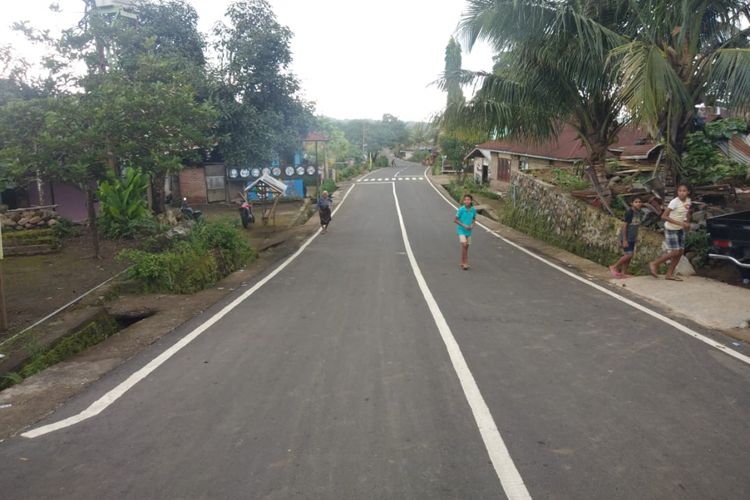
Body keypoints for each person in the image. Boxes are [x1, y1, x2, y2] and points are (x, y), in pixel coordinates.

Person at [649, 184, 692, 281]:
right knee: (675, 251)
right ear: (677, 192)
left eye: (684, 191)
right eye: (680, 191)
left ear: (688, 192)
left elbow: (687, 212)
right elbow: (664, 216)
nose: (681, 192)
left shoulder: (688, 201)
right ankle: (655, 263)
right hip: (671, 229)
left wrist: (687, 223)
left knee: (680, 252)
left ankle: (669, 274)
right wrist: (680, 223)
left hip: (680, 229)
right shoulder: (674, 202)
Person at [609, 197, 643, 278]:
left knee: (629, 257)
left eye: (639, 202)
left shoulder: (639, 213)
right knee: (629, 255)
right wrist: (624, 240)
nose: (638, 203)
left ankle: (623, 272)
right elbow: (625, 226)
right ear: (632, 203)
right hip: (626, 237)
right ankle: (614, 266)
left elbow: (637, 226)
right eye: (636, 202)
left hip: (632, 237)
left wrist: (636, 237)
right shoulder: (629, 212)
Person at [454, 194, 477, 270]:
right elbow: (455, 220)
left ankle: (462, 261)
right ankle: (465, 263)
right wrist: (464, 225)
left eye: (468, 200)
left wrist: (472, 226)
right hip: (461, 230)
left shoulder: (473, 209)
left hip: (468, 231)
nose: (467, 201)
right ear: (463, 201)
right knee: (464, 244)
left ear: (471, 201)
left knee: (466, 247)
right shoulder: (461, 209)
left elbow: (474, 219)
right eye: (465, 200)